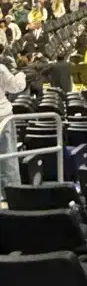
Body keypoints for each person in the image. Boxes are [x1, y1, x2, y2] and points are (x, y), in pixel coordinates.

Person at [0, 46, 26, 200]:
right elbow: (16, 87)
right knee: (8, 155)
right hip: (2, 116)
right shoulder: (1, 68)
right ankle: (13, 194)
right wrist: (21, 74)